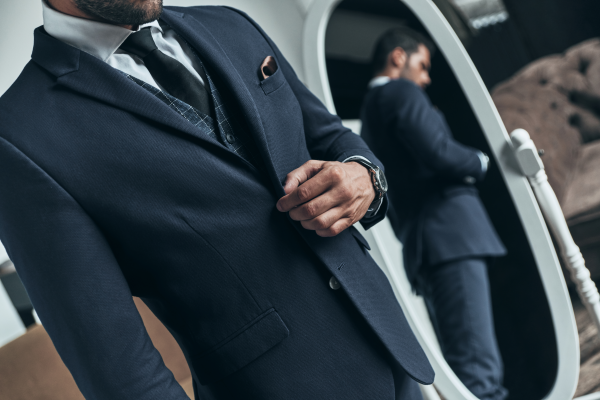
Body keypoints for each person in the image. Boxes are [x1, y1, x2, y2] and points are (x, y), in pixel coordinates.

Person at [0, 1, 435, 399]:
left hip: (392, 347)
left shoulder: (229, 25)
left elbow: (331, 138)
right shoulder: (20, 134)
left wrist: (366, 176)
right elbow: (119, 372)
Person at [360, 27, 508, 400]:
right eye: (423, 66)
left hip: (424, 244)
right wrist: (480, 160)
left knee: (467, 364)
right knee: (479, 373)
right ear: (398, 57)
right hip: (450, 237)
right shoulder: (399, 91)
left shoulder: (369, 115)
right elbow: (438, 150)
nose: (425, 78)